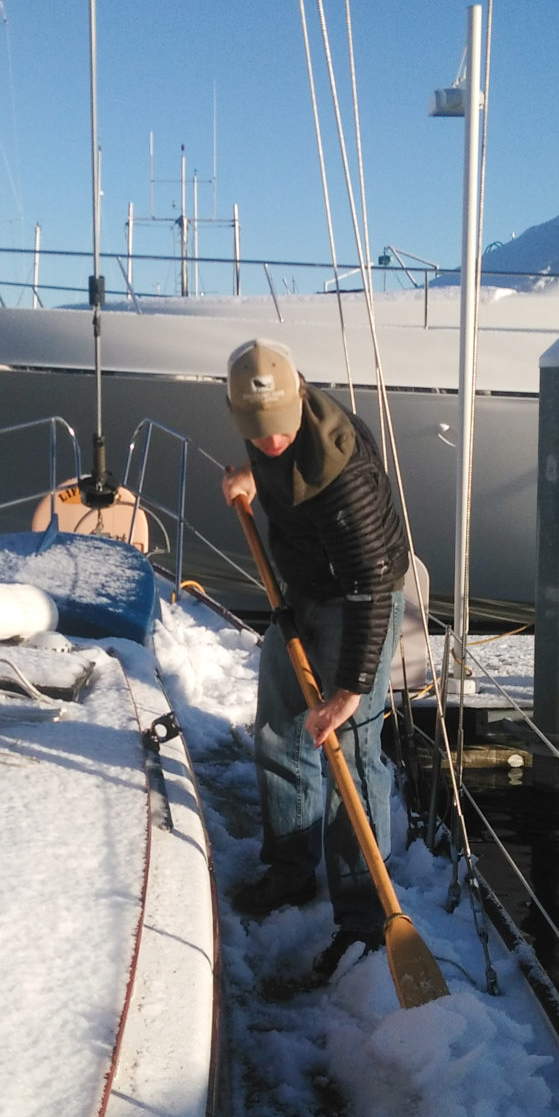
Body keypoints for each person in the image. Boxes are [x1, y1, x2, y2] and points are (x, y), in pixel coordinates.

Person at [220, 339, 409, 978]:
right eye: (257, 434)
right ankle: (292, 867)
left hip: (360, 603)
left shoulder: (342, 474)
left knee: (351, 753)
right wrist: (254, 479)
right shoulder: (264, 417)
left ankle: (364, 921)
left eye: (279, 433)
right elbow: (269, 455)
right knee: (279, 725)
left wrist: (349, 688)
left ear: (300, 398)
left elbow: (373, 586)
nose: (270, 443)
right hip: (301, 591)